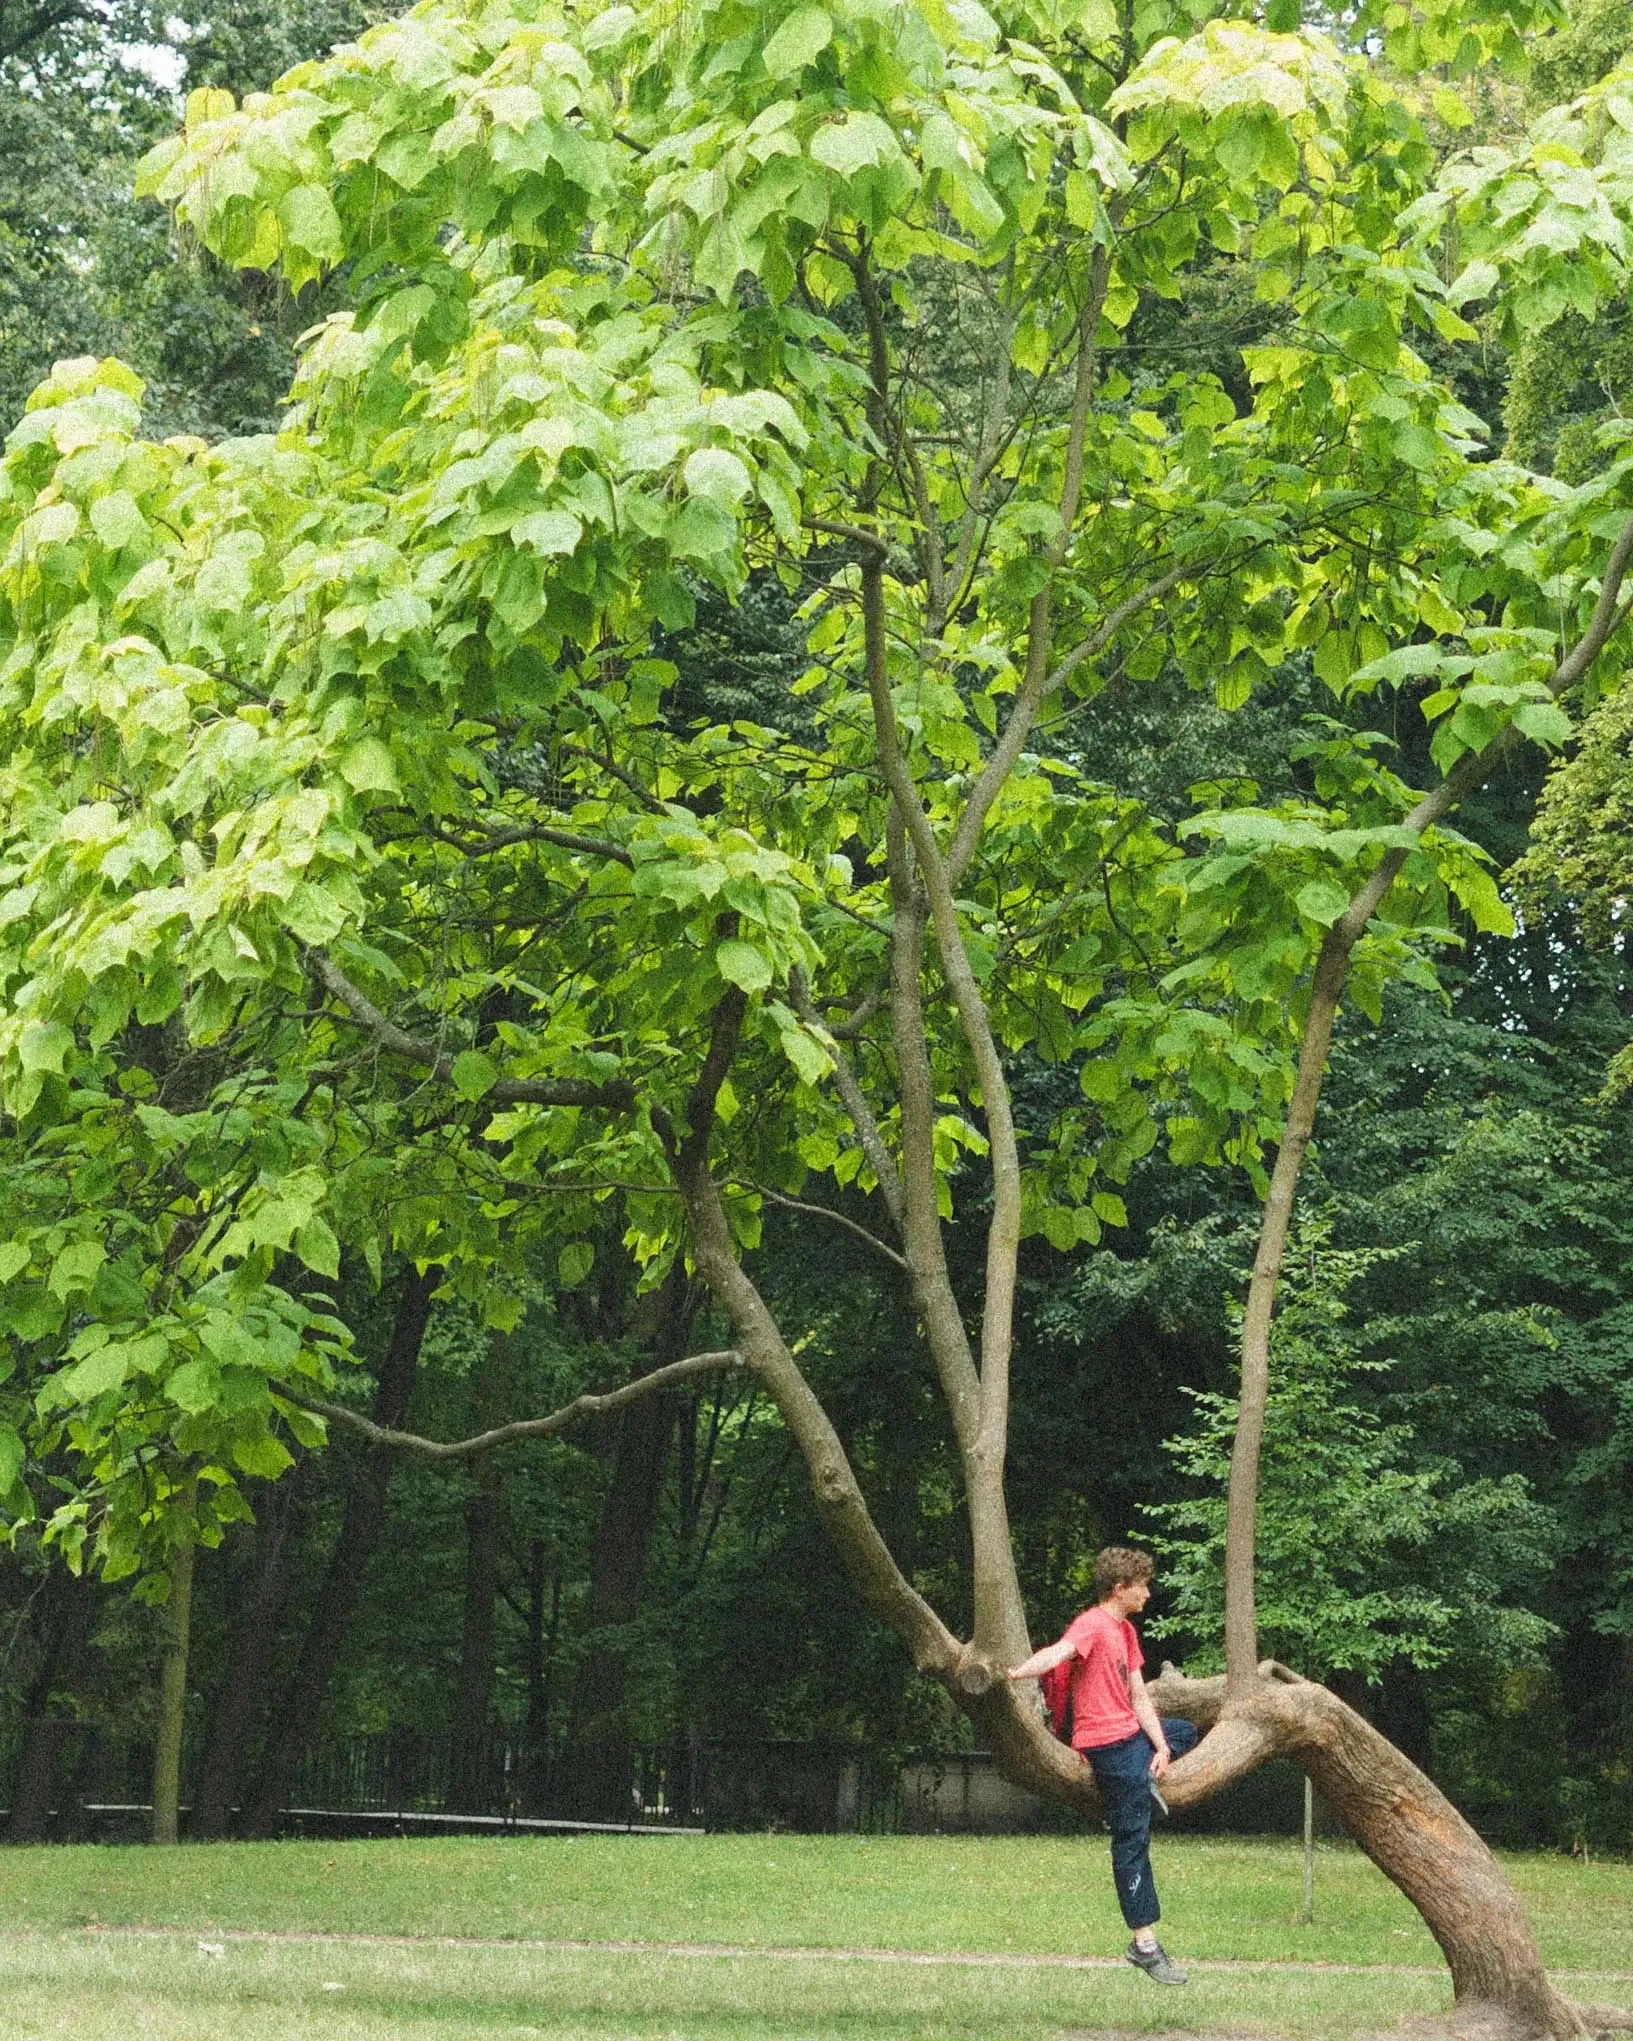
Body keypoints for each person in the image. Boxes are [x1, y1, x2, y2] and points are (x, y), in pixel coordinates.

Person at [1008, 1545, 1199, 1987]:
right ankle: (1145, 1944)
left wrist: (1161, 1747)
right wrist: (1016, 1673)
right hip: (1105, 1745)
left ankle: (1147, 1774)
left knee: (1184, 1731)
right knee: (1132, 1838)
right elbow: (1058, 1653)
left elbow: (1139, 1696)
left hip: (1131, 1734)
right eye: (1143, 1586)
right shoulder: (1092, 1625)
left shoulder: (1126, 1633)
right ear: (1120, 1589)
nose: (1148, 1594)